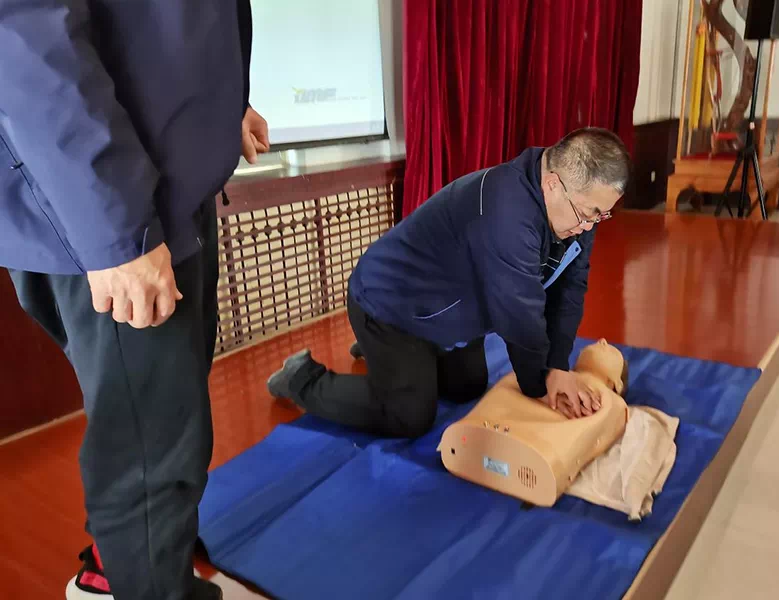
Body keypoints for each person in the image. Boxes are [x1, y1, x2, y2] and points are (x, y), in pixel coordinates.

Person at [0, 1, 268, 599]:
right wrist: (115, 230)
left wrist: (226, 107)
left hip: (154, 186)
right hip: (117, 204)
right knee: (151, 453)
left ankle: (111, 568)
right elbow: (23, 34)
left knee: (162, 419)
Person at [267, 127, 632, 437]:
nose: (589, 226)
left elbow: (570, 291)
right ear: (553, 184)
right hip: (390, 304)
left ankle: (381, 354)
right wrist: (542, 381)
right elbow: (520, 311)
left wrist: (558, 367)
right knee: (409, 416)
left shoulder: (576, 210)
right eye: (588, 214)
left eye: (601, 216)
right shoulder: (507, 211)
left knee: (466, 387)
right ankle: (302, 377)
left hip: (448, 306)